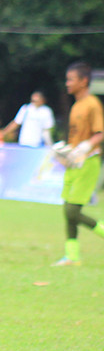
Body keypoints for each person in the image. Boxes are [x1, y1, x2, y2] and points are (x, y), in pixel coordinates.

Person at [51, 62, 104, 267]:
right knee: (67, 210)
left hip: (88, 162)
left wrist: (86, 146)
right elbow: (76, 137)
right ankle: (72, 257)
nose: (67, 83)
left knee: (73, 211)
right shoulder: (76, 105)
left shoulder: (92, 104)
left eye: (71, 79)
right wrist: (65, 149)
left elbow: (99, 133)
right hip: (74, 163)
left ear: (84, 81)